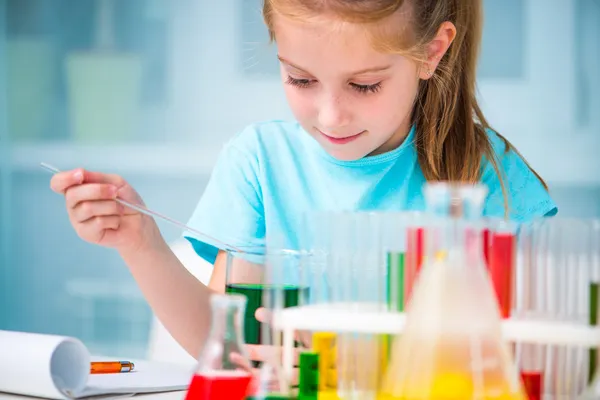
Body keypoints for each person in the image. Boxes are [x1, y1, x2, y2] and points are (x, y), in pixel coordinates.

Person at [50, 0, 557, 377]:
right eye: (300, 79)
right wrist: (141, 244)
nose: (331, 115)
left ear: (431, 52)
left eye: (364, 86)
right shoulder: (261, 163)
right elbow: (224, 340)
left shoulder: (485, 176)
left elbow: (539, 357)